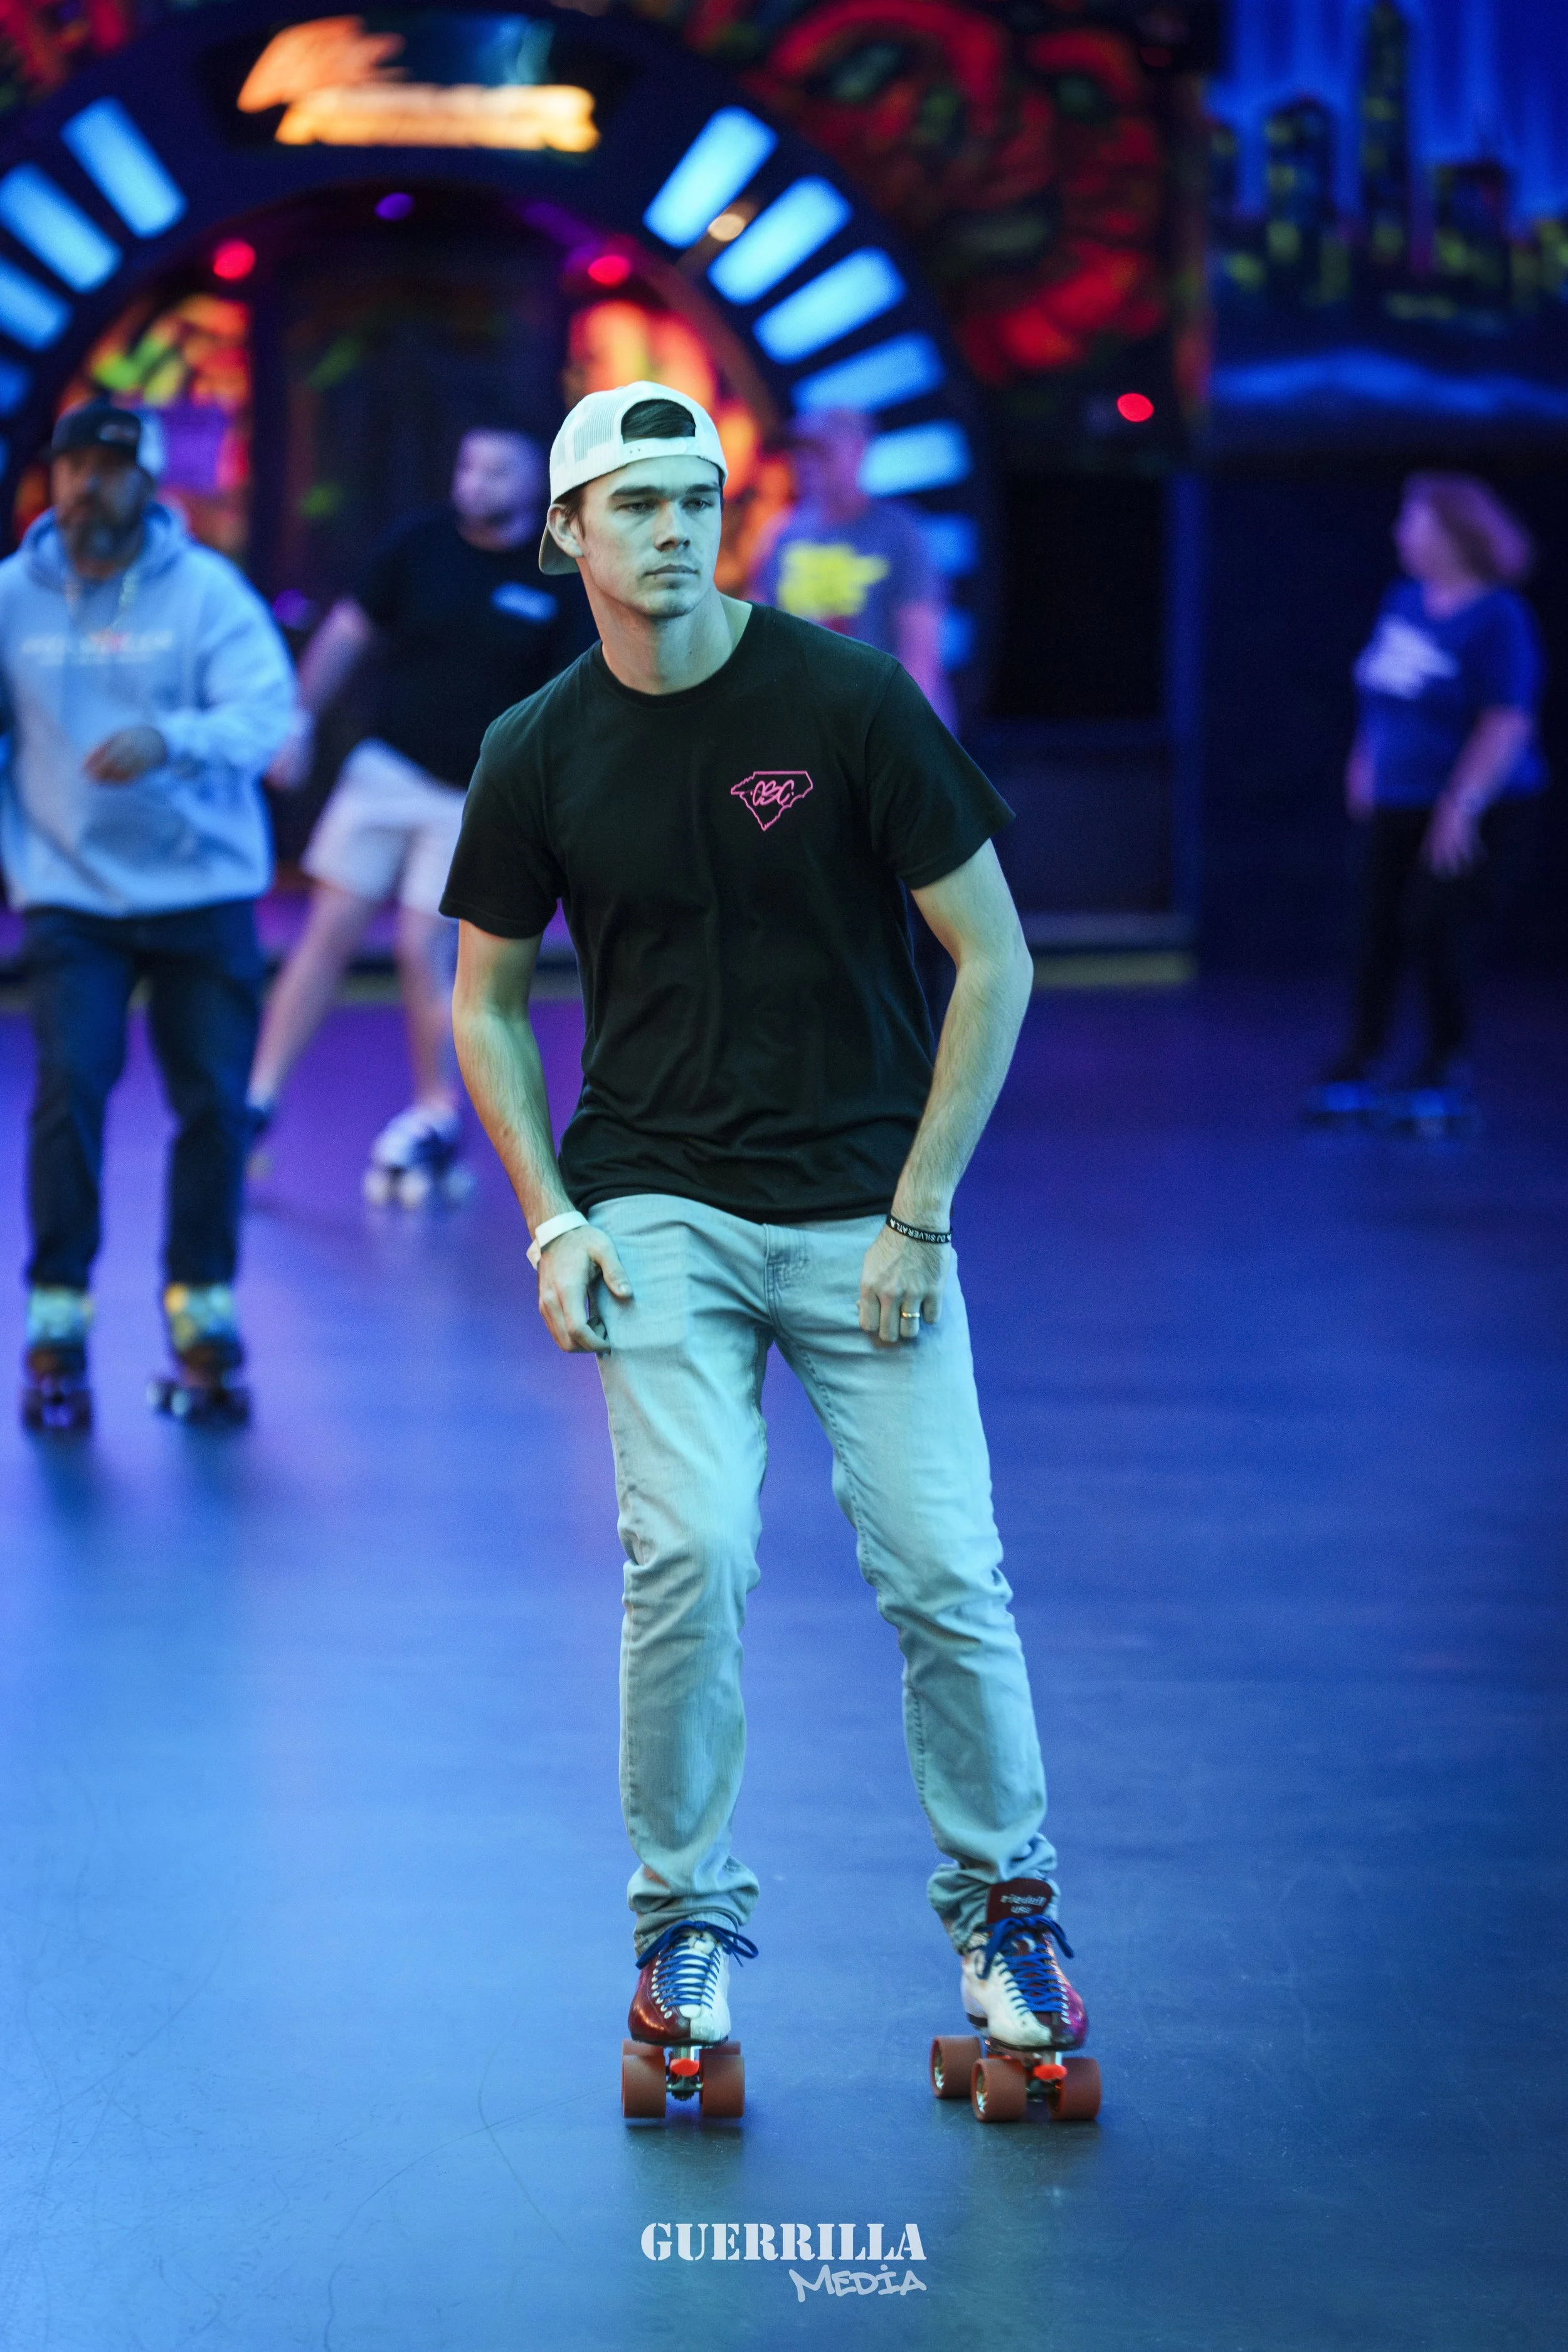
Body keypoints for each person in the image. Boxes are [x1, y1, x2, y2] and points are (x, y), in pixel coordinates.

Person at [443, 381, 1090, 2102]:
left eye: (695, 496)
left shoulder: (849, 699)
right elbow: (485, 1004)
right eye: (635, 502)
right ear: (567, 532)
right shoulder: (535, 749)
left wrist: (921, 1207)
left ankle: (1007, 1911)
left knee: (944, 1568)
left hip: (867, 1205)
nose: (671, 527)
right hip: (655, 1194)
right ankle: (683, 1930)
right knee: (692, 1554)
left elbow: (997, 959)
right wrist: (551, 1217)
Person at [0, 397, 295, 1431]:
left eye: (109, 471)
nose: (86, 487)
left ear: (148, 484)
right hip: (72, 891)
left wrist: (169, 739)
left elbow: (268, 717)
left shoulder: (207, 594)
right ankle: (57, 1313)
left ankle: (202, 1306)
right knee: (68, 1087)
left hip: (204, 889)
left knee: (213, 1105)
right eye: (71, 468)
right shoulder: (11, 600)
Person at [249, 426, 590, 1202]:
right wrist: (296, 720)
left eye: (496, 469)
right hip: (387, 769)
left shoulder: (558, 574)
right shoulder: (419, 544)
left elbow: (571, 698)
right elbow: (346, 632)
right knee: (326, 934)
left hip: (475, 793)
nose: (476, 480)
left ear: (533, 482)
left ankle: (437, 1113)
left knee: (419, 946)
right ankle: (257, 1099)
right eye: (467, 464)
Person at [1307, 473, 1544, 1133]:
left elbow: (1506, 721)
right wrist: (1364, 763)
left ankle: (1446, 1067)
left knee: (1435, 930)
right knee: (1372, 930)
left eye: (1413, 522)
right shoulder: (1403, 601)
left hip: (1472, 809)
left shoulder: (1498, 616)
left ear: (1451, 535)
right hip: (1395, 801)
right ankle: (1362, 1061)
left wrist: (1461, 804)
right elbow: (1379, 694)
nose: (1400, 534)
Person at [750, 406, 953, 726]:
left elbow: (921, 655)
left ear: (860, 452)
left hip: (886, 728)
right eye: (802, 452)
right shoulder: (781, 537)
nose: (808, 464)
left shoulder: (899, 534)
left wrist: (907, 741)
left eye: (822, 451)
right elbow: (760, 644)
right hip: (813, 731)